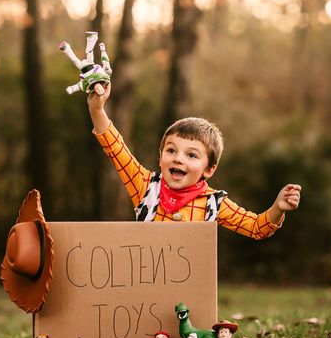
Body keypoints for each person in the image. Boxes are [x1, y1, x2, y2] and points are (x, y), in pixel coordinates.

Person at [86, 84, 301, 239]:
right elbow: (116, 148)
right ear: (161, 157)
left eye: (191, 155)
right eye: (171, 150)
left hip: (188, 294)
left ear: (208, 170)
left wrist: (278, 208)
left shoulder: (213, 203)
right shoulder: (145, 186)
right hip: (147, 291)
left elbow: (256, 227)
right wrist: (97, 109)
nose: (178, 158)